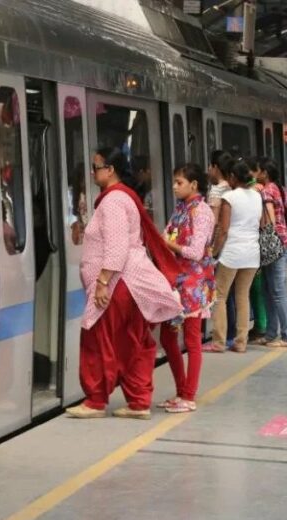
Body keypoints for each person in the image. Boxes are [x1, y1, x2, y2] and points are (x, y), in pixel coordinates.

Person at [67, 147, 182, 420]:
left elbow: (117, 247)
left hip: (118, 283)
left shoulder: (114, 201)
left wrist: (103, 282)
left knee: (98, 338)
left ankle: (95, 400)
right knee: (135, 341)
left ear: (110, 170)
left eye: (96, 167)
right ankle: (138, 401)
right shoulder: (123, 199)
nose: (93, 173)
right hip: (132, 285)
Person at [159, 164, 216, 414]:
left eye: (179, 182)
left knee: (192, 339)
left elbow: (195, 252)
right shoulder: (182, 209)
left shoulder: (201, 212)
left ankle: (189, 395)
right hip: (176, 282)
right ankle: (181, 390)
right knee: (167, 336)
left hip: (194, 285)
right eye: (174, 181)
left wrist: (168, 246)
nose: (174, 186)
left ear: (194, 185)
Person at [207, 159, 263, 353]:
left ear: (232, 177)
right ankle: (241, 342)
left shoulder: (229, 197)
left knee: (220, 296)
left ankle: (219, 341)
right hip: (252, 254)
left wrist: (213, 252)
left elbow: (223, 230)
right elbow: (261, 223)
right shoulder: (257, 196)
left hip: (232, 253)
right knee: (242, 296)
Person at [250, 157, 287, 347]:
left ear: (264, 173)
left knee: (276, 291)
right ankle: (271, 333)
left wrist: (264, 233)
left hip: (274, 244)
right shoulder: (281, 188)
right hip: (283, 241)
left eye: (257, 171)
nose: (254, 175)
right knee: (270, 290)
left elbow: (268, 217)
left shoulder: (267, 190)